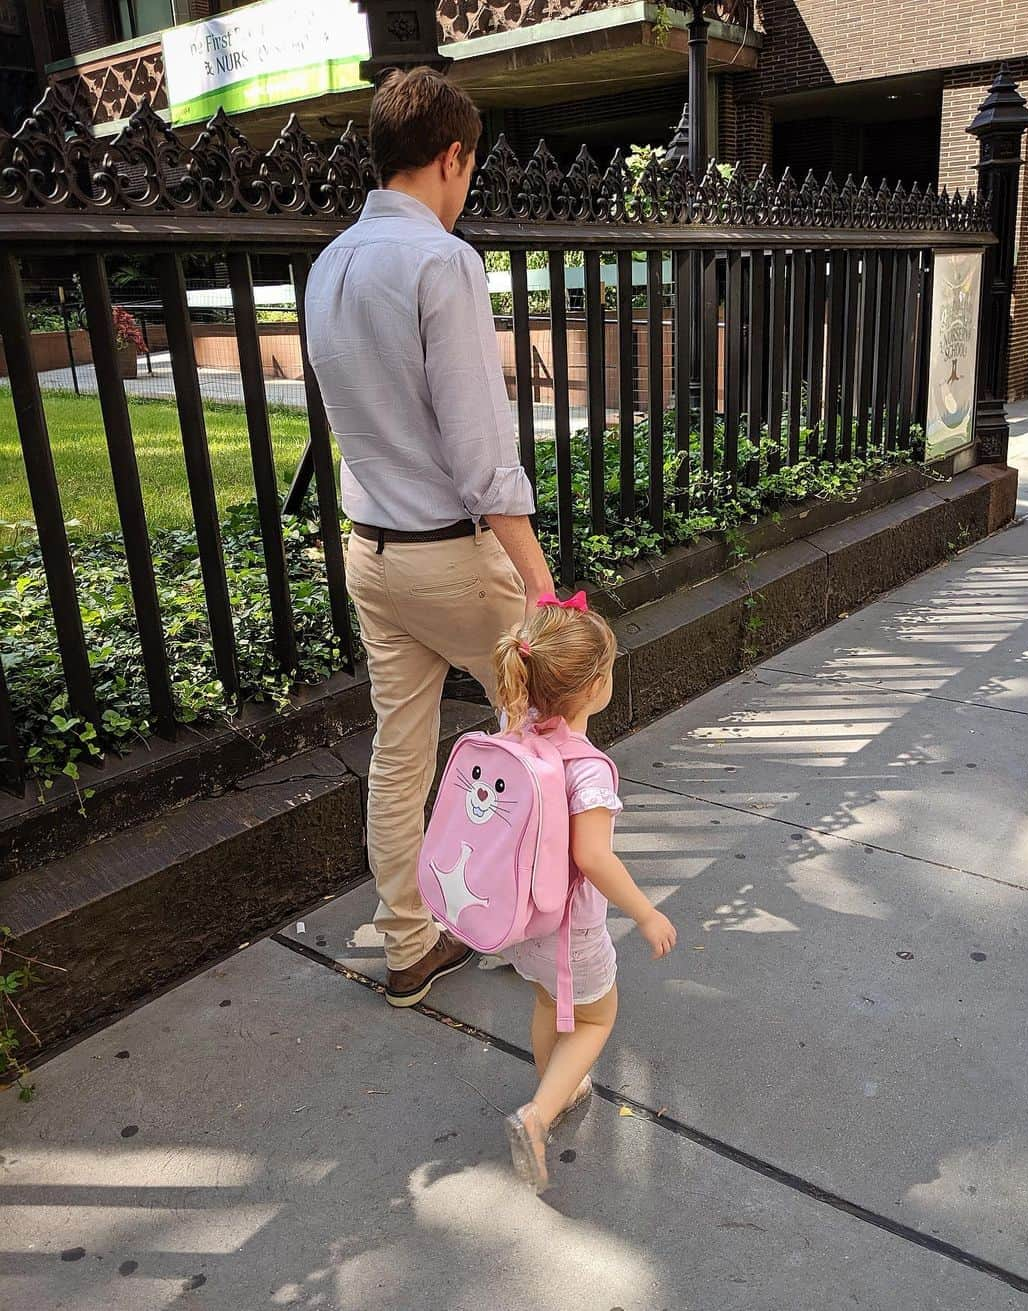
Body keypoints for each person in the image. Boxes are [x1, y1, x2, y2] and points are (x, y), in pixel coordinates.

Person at [304, 68, 555, 1010]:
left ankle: (409, 944)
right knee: (546, 737)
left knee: (400, 750)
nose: (468, 188)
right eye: (470, 168)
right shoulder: (442, 262)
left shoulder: (329, 264)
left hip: (370, 551)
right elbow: (483, 451)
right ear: (453, 156)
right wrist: (542, 586)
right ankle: (525, 927)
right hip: (452, 555)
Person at [490, 598, 678, 1192]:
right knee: (596, 1015)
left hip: (522, 920)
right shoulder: (587, 769)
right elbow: (592, 856)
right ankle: (538, 1114)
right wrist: (646, 912)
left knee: (550, 1002)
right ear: (597, 687)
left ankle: (559, 1088)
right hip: (571, 926)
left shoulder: (514, 731)